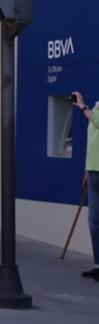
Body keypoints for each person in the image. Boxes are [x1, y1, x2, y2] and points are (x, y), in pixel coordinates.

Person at [71, 91, 99, 281]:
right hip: (95, 171)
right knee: (94, 221)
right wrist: (88, 169)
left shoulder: (92, 111)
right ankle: (98, 264)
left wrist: (82, 107)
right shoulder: (97, 107)